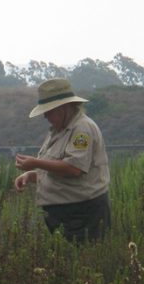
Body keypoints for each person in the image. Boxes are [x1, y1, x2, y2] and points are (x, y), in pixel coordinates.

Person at [14, 78, 110, 242]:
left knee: (82, 261)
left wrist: (35, 163)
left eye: (48, 111)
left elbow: (73, 169)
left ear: (63, 107)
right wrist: (31, 175)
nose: (45, 116)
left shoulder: (82, 129)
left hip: (82, 213)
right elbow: (55, 170)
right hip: (65, 215)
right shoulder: (58, 130)